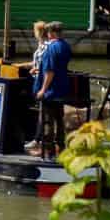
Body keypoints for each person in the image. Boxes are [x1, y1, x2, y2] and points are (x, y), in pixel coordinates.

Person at [31, 20, 73, 154]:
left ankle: (47, 151)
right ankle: (61, 146)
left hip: (51, 90)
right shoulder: (66, 46)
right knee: (59, 119)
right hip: (62, 87)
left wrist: (43, 90)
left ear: (53, 33)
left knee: (47, 120)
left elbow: (50, 71)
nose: (47, 34)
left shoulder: (51, 48)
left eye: (48, 32)